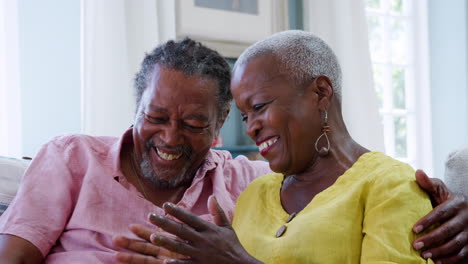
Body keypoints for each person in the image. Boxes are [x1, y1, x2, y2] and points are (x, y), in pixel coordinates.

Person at [0, 38, 466, 263]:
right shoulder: (72, 158)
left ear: (218, 127)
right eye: (156, 117)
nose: (170, 137)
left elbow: (346, 180)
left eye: (194, 123)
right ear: (136, 109)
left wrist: (454, 205)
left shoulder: (244, 185)